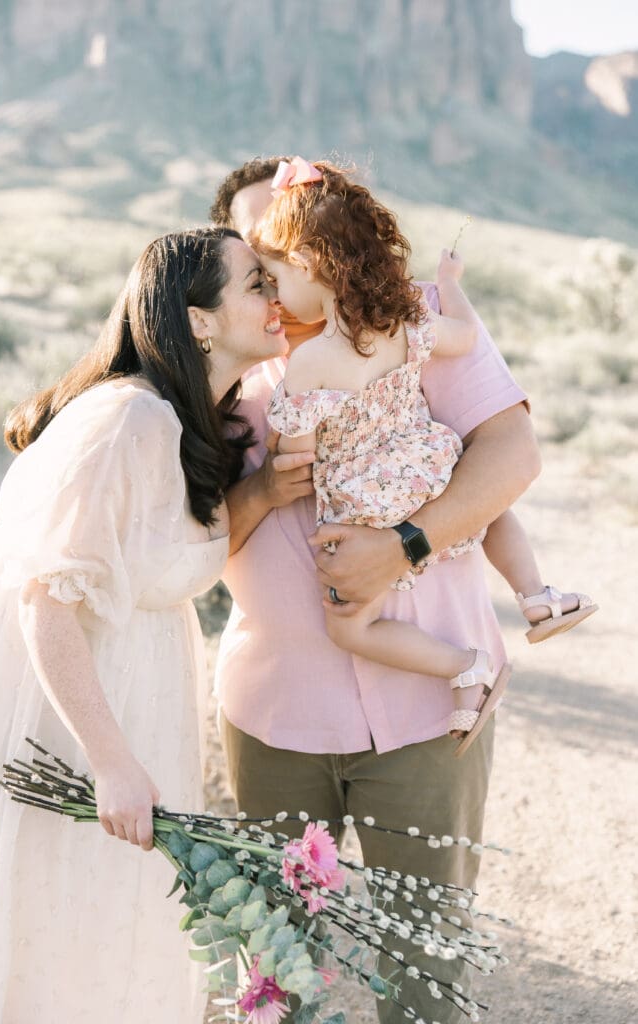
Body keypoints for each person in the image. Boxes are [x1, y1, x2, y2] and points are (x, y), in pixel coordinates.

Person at [210, 157, 541, 1024]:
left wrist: (403, 546)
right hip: (275, 714)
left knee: (425, 960)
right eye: (255, 256)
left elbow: (511, 455)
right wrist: (260, 491)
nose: (274, 275)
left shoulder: (408, 318)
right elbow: (187, 540)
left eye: (288, 248)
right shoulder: (218, 373)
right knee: (273, 959)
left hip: (427, 711)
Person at [0, 227, 287, 1023]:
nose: (275, 297)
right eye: (255, 283)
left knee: (97, 925)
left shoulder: (185, 422)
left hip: (131, 697)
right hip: (68, 716)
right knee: (52, 924)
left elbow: (158, 557)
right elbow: (45, 599)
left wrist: (264, 492)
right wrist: (111, 763)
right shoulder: (127, 419)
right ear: (198, 320)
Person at [255, 158, 596, 754]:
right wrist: (451, 283)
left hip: (366, 500)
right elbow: (464, 335)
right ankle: (537, 596)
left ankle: (463, 666)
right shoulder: (406, 323)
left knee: (350, 626)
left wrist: (281, 438)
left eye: (275, 278)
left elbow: (298, 459)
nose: (275, 297)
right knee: (487, 510)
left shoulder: (310, 361)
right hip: (425, 462)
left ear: (306, 265)